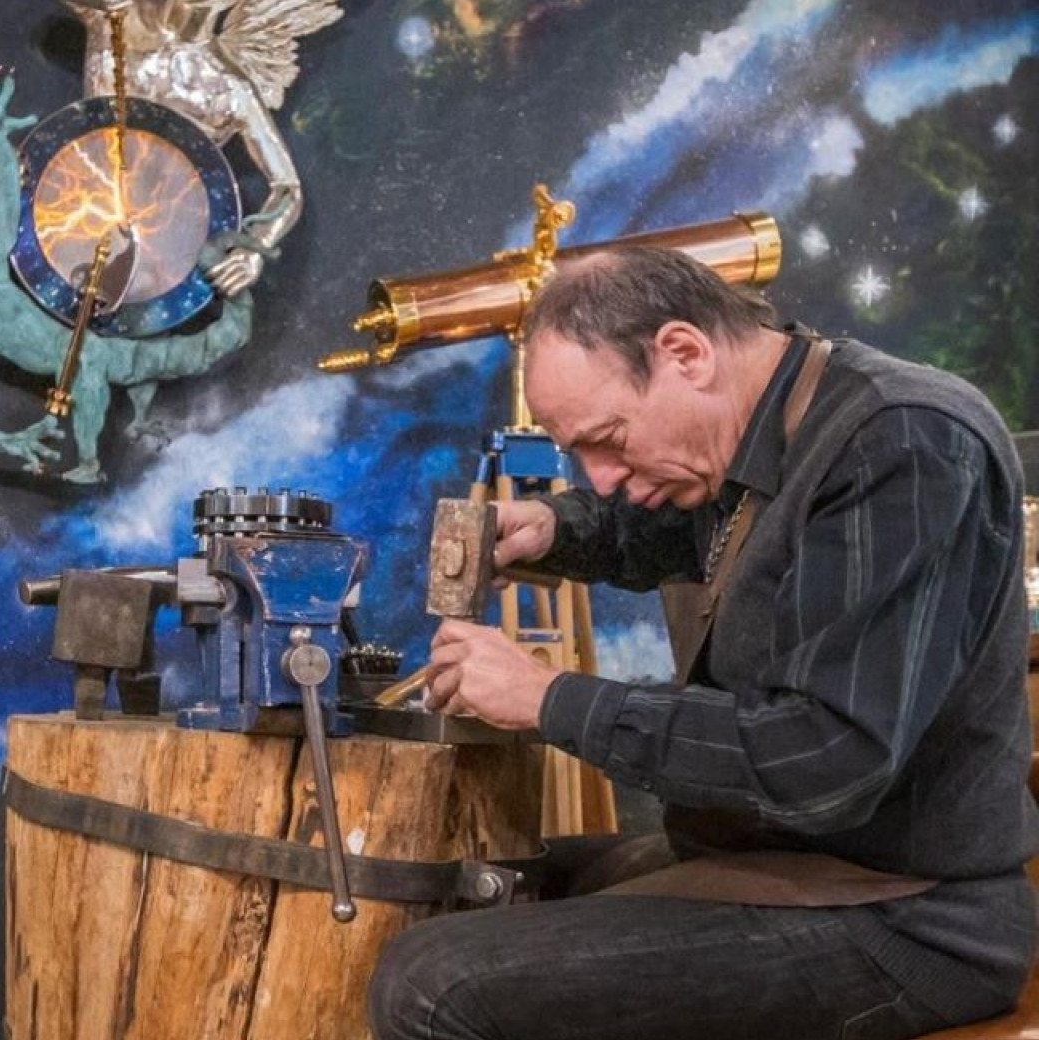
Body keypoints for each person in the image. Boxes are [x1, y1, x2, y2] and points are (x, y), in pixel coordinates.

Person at [369, 246, 1037, 1040]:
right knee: (471, 879)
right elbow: (669, 529)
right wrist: (554, 527)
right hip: (779, 867)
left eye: (609, 439)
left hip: (908, 920)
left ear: (684, 353)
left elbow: (822, 761)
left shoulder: (901, 442)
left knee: (432, 985)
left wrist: (550, 699)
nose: (604, 476)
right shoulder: (758, 437)